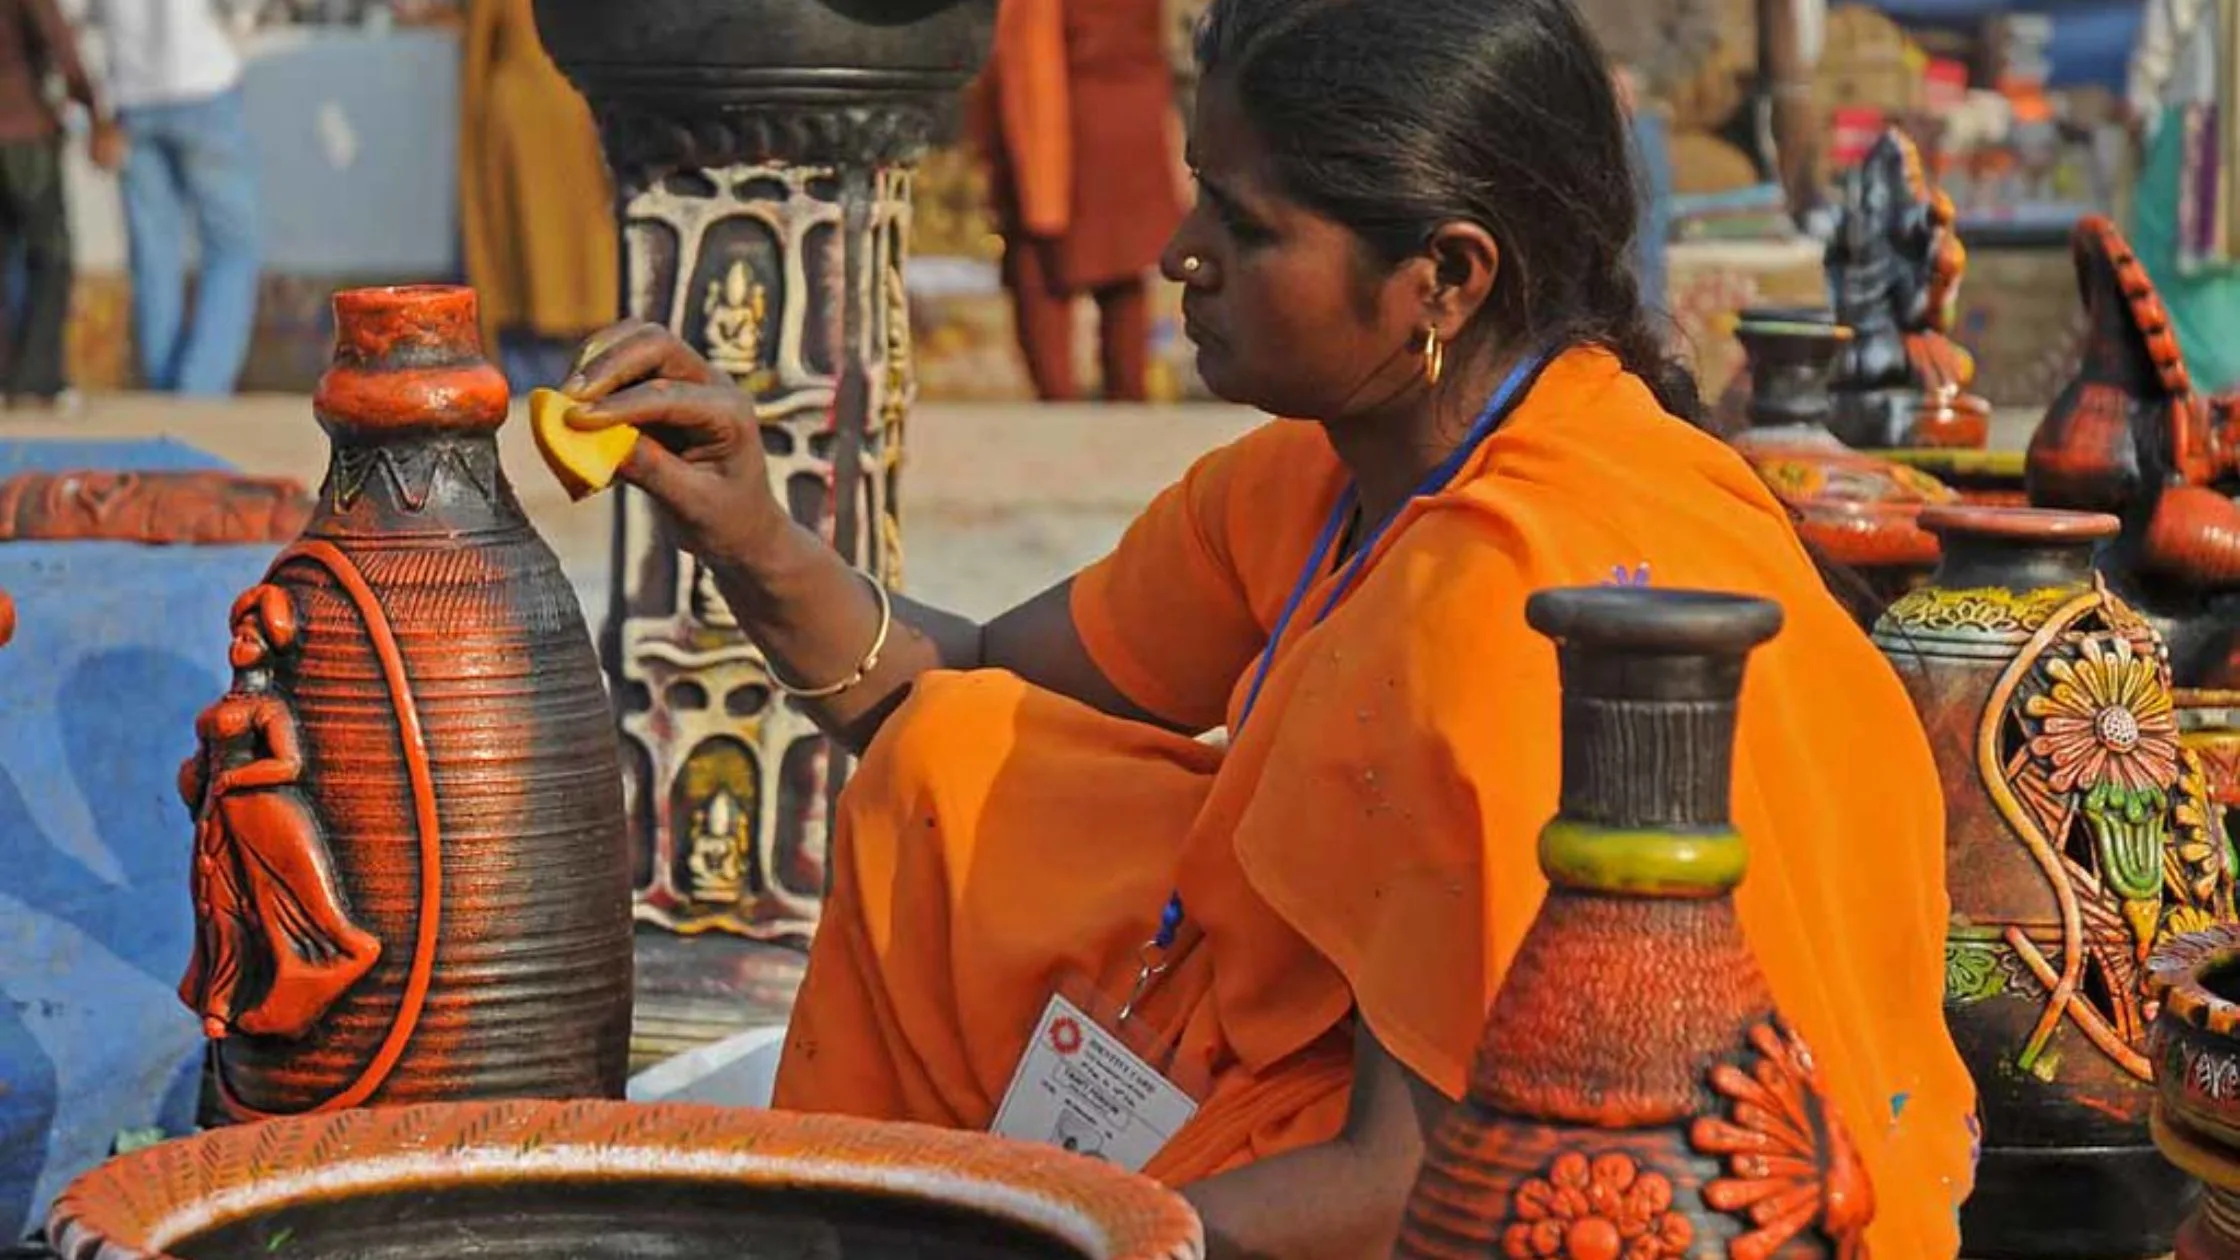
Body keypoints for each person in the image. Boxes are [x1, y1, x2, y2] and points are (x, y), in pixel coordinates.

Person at [559, 0, 1975, 1254]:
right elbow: (955, 688)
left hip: (1596, 1191)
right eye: (1198, 202)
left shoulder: (1503, 591)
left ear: (1446, 277)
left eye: (1244, 226)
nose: (1180, 256)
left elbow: (1433, 1170)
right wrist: (745, 525)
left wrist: (1051, 1231)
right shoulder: (1322, 475)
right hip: (1350, 1117)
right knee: (957, 768)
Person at [970, 0, 1183, 402]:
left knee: (1038, 262)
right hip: (1135, 112)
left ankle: (1060, 400)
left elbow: (1025, 51)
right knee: (1124, 266)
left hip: (1066, 117)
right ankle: (1127, 395)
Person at [84, 0, 262, 397]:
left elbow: (83, 20)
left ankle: (166, 385)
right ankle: (200, 385)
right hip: (203, 85)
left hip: (131, 95)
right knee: (233, 248)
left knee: (153, 254)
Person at [458, 0, 615, 394]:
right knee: (563, 270)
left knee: (537, 268)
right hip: (569, 115)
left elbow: (476, 65)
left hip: (532, 123)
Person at [0, 0, 112, 411]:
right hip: (23, 131)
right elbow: (60, 45)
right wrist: (96, 112)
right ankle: (38, 380)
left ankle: (11, 375)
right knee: (51, 258)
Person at [2127, 0, 2240, 394]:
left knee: (2175, 266)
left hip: (2196, 123)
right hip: (2203, 118)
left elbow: (2160, 40)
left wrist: (2140, 104)